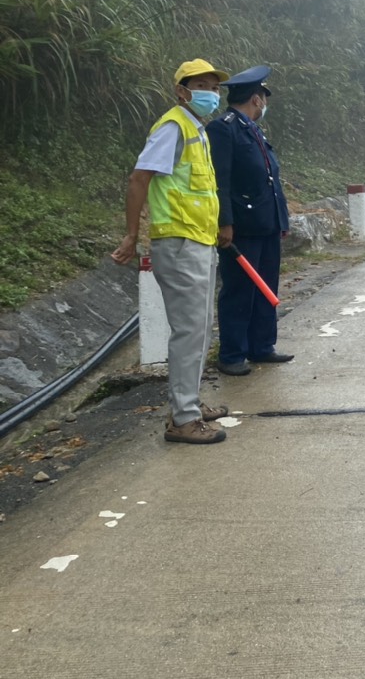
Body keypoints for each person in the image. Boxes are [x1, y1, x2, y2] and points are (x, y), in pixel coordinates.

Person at [111, 59, 231, 445]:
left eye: (215, 88)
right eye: (203, 86)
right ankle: (183, 419)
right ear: (182, 91)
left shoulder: (198, 130)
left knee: (198, 329)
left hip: (197, 241)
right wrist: (132, 234)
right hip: (178, 242)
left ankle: (190, 405)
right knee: (189, 331)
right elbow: (139, 177)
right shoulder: (173, 127)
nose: (212, 94)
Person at [207, 64, 293, 376]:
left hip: (266, 222)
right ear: (256, 99)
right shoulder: (223, 129)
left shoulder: (253, 129)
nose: (265, 105)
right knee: (240, 289)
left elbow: (270, 178)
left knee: (266, 284)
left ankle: (262, 346)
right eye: (264, 98)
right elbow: (221, 180)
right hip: (242, 225)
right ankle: (232, 354)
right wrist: (224, 222)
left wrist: (280, 219)